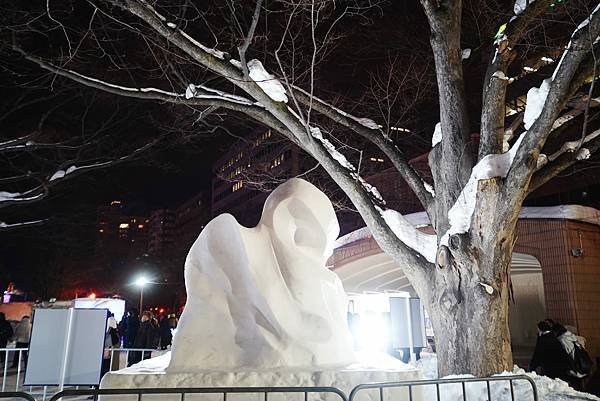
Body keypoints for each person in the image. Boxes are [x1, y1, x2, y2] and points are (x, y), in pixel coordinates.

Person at [101, 313, 120, 378]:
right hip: (111, 356)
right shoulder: (116, 333)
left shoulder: (109, 333)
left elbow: (108, 344)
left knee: (105, 369)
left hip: (107, 355)